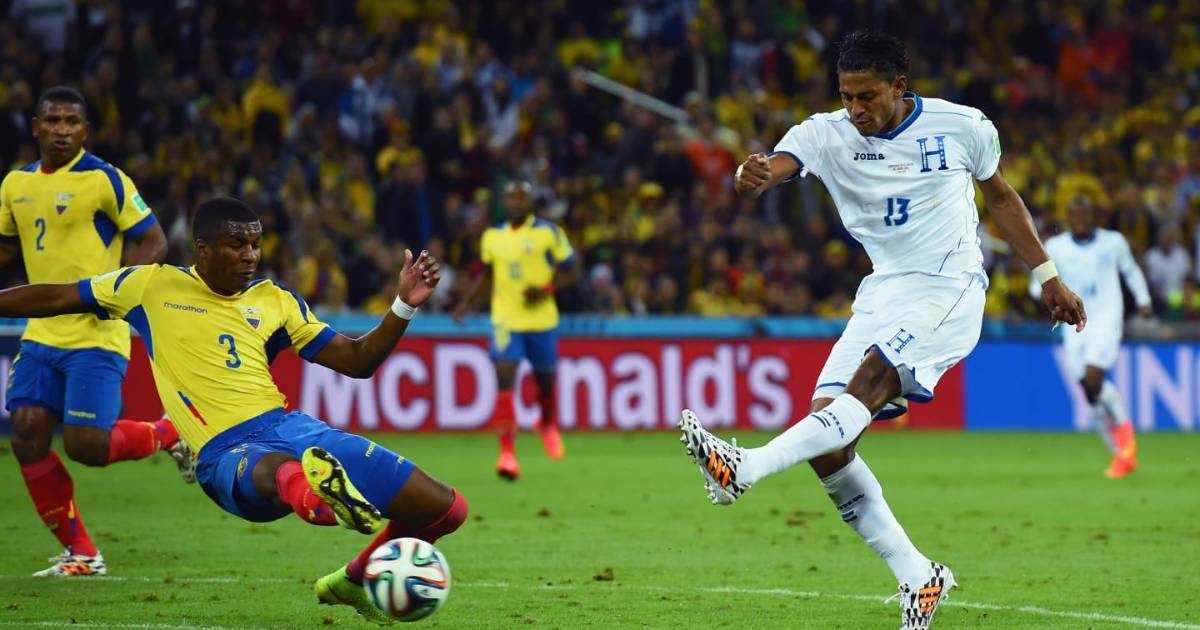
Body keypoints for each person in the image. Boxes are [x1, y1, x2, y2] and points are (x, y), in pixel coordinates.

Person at [676, 31, 1086, 629]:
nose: (855, 109)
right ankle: (919, 576)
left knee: (868, 383)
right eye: (846, 96)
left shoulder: (962, 126)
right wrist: (751, 174)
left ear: (899, 87)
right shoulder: (825, 133)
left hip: (948, 287)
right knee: (828, 441)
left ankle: (746, 468)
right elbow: (774, 167)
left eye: (866, 96)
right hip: (882, 291)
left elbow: (1000, 198)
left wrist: (1047, 276)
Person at [0, 197, 467, 624]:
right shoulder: (150, 285)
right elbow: (58, 296)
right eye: (236, 244)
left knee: (445, 510)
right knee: (286, 472)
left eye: (256, 245)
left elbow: (358, 361)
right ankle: (323, 499)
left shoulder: (276, 301)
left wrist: (403, 305)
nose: (250, 255)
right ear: (202, 249)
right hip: (224, 452)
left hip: (291, 427)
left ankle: (353, 577)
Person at [0, 86, 187, 577]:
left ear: (85, 130)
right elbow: (5, 249)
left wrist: (115, 291)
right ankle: (82, 553)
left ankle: (170, 432)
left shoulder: (105, 180)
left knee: (87, 446)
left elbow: (154, 240)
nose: (61, 130)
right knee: (27, 433)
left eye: (71, 122)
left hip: (95, 335)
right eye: (52, 121)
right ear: (36, 127)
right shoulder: (14, 184)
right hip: (41, 334)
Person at [453, 181, 581, 480]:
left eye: (522, 198)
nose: (516, 203)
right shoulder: (492, 237)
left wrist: (546, 289)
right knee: (505, 377)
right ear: (505, 202)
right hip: (506, 320)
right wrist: (466, 305)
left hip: (542, 321)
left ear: (531, 203)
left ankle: (546, 423)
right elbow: (488, 277)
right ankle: (507, 453)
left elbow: (573, 271)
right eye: (512, 198)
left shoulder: (549, 233)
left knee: (545, 381)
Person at [1032, 196, 1150, 478]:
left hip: (1107, 319)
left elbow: (1131, 271)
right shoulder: (1055, 247)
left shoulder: (1113, 242)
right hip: (1074, 323)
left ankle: (1125, 446)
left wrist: (1144, 299)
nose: (1080, 220)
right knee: (1088, 389)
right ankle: (1121, 452)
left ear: (1094, 216)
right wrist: (1040, 296)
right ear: (1068, 218)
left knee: (1093, 379)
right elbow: (1038, 283)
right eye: (1074, 215)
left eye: (1084, 214)